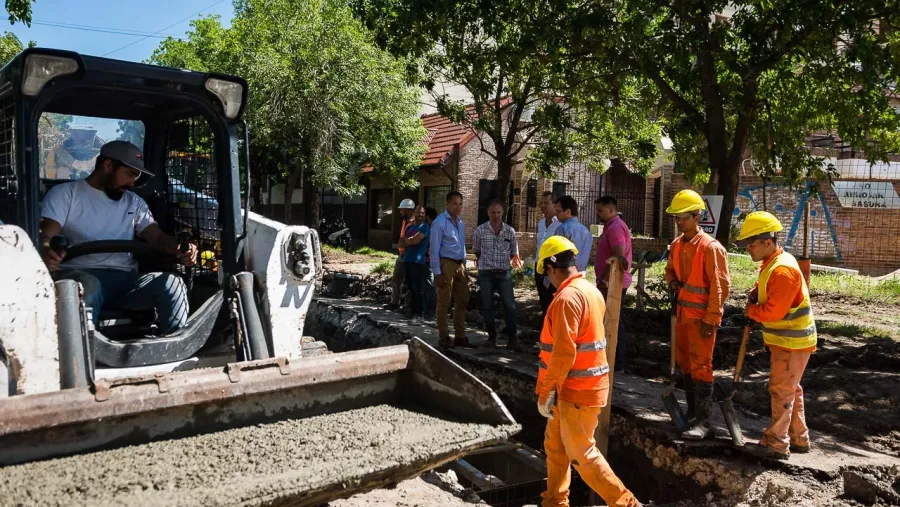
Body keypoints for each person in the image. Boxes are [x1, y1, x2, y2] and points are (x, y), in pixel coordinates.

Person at [39, 140, 198, 335]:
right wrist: (47, 250)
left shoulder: (134, 203)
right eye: (129, 174)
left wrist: (181, 247)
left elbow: (157, 238)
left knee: (172, 284)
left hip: (125, 280)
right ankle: (81, 349)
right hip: (78, 275)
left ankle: (174, 346)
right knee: (90, 286)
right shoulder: (65, 195)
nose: (132, 183)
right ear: (108, 165)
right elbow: (46, 236)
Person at [535, 236, 641, 507]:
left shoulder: (566, 298)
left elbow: (563, 352)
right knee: (556, 446)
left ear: (552, 267)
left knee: (582, 454)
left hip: (576, 391)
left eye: (547, 273)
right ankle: (554, 501)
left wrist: (546, 392)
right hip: (573, 389)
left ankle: (627, 504)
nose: (548, 280)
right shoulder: (590, 291)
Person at [737, 211, 817, 460]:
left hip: (791, 342)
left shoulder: (782, 270)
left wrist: (751, 311)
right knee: (791, 389)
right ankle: (798, 437)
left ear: (767, 242)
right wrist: (757, 291)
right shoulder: (775, 261)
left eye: (751, 244)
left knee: (781, 390)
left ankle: (776, 444)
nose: (747, 249)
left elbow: (773, 311)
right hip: (791, 341)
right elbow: (771, 289)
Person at [663, 189, 731, 440]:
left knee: (701, 366)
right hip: (682, 316)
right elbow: (670, 271)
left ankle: (704, 422)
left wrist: (712, 319)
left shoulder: (710, 248)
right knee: (686, 364)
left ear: (697, 217)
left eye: (683, 217)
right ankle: (692, 414)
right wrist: (672, 282)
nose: (679, 222)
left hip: (701, 319)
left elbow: (720, 287)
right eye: (676, 217)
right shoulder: (677, 245)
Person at [472, 200, 522, 350]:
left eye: (498, 212)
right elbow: (476, 250)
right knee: (487, 306)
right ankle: (491, 337)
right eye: (493, 212)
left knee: (510, 306)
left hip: (504, 274)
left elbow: (513, 252)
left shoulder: (509, 231)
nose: (496, 215)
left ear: (503, 213)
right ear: (488, 213)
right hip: (486, 273)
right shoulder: (480, 230)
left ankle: (512, 338)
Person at [430, 191, 473, 348]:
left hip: (460, 265)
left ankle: (460, 336)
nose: (458, 207)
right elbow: (434, 249)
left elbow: (461, 246)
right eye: (455, 203)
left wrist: (464, 266)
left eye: (460, 204)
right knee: (444, 301)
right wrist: (437, 273)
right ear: (447, 203)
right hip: (445, 264)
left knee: (462, 300)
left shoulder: (460, 223)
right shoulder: (440, 222)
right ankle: (444, 337)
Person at [594, 196, 633, 373]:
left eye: (600, 210)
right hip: (609, 283)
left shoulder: (616, 228)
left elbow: (618, 257)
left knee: (614, 322)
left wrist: (606, 279)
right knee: (610, 321)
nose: (598, 214)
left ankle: (618, 363)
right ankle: (612, 360)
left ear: (611, 210)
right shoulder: (611, 226)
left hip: (612, 285)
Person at [400, 206, 430, 323]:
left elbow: (416, 240)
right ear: (414, 213)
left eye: (422, 212)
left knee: (418, 289)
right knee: (411, 288)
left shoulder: (425, 227)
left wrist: (408, 241)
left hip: (418, 261)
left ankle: (419, 315)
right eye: (418, 212)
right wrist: (410, 241)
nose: (420, 214)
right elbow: (400, 242)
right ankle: (412, 312)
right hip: (407, 260)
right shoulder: (410, 227)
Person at [388, 198, 416, 310]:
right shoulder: (404, 221)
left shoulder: (415, 223)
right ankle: (394, 302)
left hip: (410, 255)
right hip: (402, 254)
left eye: (402, 209)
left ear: (408, 210)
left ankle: (407, 306)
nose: (400, 211)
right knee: (396, 279)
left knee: (409, 282)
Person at [535, 191, 560, 316]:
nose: (542, 206)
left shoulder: (560, 224)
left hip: (552, 267)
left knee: (552, 298)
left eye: (546, 203)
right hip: (538, 265)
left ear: (554, 204)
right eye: (541, 203)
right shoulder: (540, 223)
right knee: (542, 298)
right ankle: (545, 323)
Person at [553, 195, 593, 273]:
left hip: (564, 274)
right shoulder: (586, 231)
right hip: (581, 274)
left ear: (568, 212)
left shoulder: (562, 229)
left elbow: (555, 254)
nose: (555, 214)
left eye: (558, 211)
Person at [423, 207, 439, 321]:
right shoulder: (432, 226)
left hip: (429, 260)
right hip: (429, 260)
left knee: (429, 287)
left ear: (426, 216)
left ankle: (429, 313)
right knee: (427, 286)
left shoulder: (432, 228)